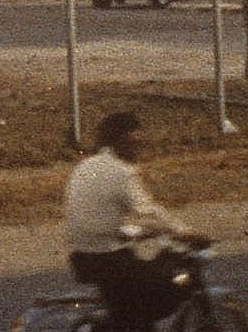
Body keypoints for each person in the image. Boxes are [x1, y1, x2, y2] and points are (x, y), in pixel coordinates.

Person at [65, 109, 201, 330]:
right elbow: (149, 212)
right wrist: (185, 232)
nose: (138, 147)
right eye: (133, 141)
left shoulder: (84, 166)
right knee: (178, 282)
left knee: (136, 302)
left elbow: (99, 215)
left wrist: (136, 231)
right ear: (119, 141)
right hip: (109, 259)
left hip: (81, 257)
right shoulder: (121, 172)